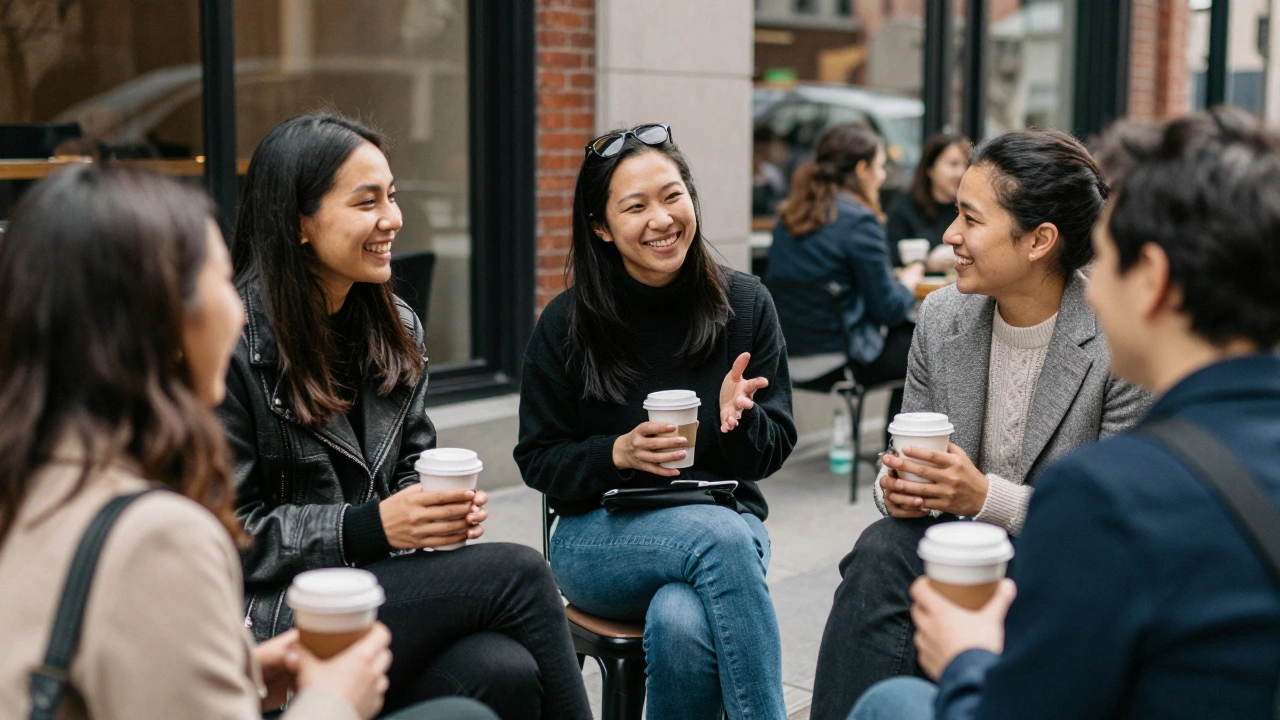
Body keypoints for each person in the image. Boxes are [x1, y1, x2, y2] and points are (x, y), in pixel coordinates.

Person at [0, 165, 496, 720]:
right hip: (297, 598)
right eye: (220, 280)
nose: (239, 305)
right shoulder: (155, 534)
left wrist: (244, 670)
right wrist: (334, 698)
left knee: (491, 671)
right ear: (161, 319)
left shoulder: (31, 477)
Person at [848, 105, 1280, 720]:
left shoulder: (1116, 493)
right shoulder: (944, 318)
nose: (1094, 286)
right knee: (882, 552)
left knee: (893, 703)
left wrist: (970, 654)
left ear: (1150, 279)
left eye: (1107, 258)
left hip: (1027, 573)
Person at [217, 113, 591, 720]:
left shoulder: (397, 326)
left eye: (391, 196)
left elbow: (414, 463)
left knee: (506, 671)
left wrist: (432, 509)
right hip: (280, 622)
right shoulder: (231, 342)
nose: (392, 219)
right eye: (366, 202)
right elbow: (227, 538)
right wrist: (373, 526)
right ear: (299, 223)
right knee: (520, 573)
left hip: (386, 591)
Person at [808, 128, 1153, 720]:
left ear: (1040, 239)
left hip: (1065, 570)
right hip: (950, 551)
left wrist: (983, 497)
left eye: (970, 218)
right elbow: (903, 459)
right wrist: (896, 488)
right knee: (881, 549)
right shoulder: (942, 318)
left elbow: (1115, 531)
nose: (951, 236)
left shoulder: (1115, 336)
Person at [513, 123, 797, 719]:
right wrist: (616, 453)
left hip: (725, 517)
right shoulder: (568, 323)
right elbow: (538, 458)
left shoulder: (745, 306)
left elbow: (772, 451)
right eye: (635, 206)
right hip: (600, 537)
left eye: (672, 196)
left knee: (681, 619)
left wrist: (739, 422)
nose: (662, 219)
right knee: (717, 540)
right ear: (601, 227)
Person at [765, 123, 922, 416]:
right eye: (880, 166)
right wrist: (909, 281)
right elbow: (888, 309)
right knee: (927, 348)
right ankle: (899, 452)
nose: (883, 175)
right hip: (843, 358)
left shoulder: (789, 215)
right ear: (862, 169)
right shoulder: (860, 221)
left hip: (788, 353)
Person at [885, 131, 970, 270]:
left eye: (966, 165)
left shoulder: (971, 209)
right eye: (953, 164)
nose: (961, 172)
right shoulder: (904, 209)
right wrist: (927, 264)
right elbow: (889, 263)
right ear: (930, 168)